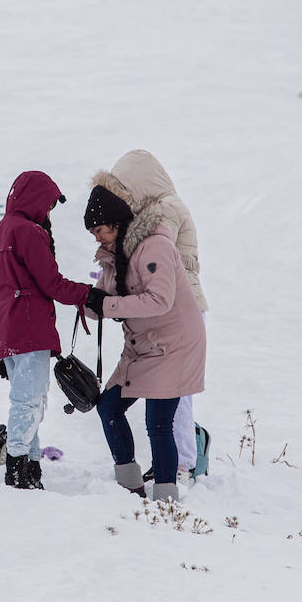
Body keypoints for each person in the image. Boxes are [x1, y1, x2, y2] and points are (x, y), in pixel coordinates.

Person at [83, 181, 206, 503]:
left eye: (99, 229)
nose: (96, 237)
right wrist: (85, 302)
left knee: (158, 423)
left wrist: (107, 306)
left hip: (173, 345)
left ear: (117, 223)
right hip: (140, 348)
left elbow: (159, 301)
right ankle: (129, 486)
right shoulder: (114, 254)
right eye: (92, 232)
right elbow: (108, 297)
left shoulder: (155, 247)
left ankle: (166, 496)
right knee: (108, 408)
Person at [0, 171, 92, 490]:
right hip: (29, 326)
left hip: (4, 329)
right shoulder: (29, 231)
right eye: (48, 205)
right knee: (30, 401)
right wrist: (87, 293)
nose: (47, 213)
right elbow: (50, 283)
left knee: (28, 399)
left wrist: (4, 317)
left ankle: (30, 466)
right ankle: (17, 468)